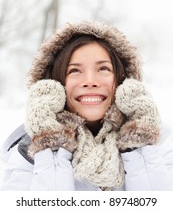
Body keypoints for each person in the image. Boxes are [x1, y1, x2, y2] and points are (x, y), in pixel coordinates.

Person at [1, 20, 173, 191]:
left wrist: (139, 141)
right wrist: (51, 145)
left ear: (123, 80)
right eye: (74, 70)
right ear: (54, 84)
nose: (90, 81)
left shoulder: (161, 143)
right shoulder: (27, 152)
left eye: (103, 69)